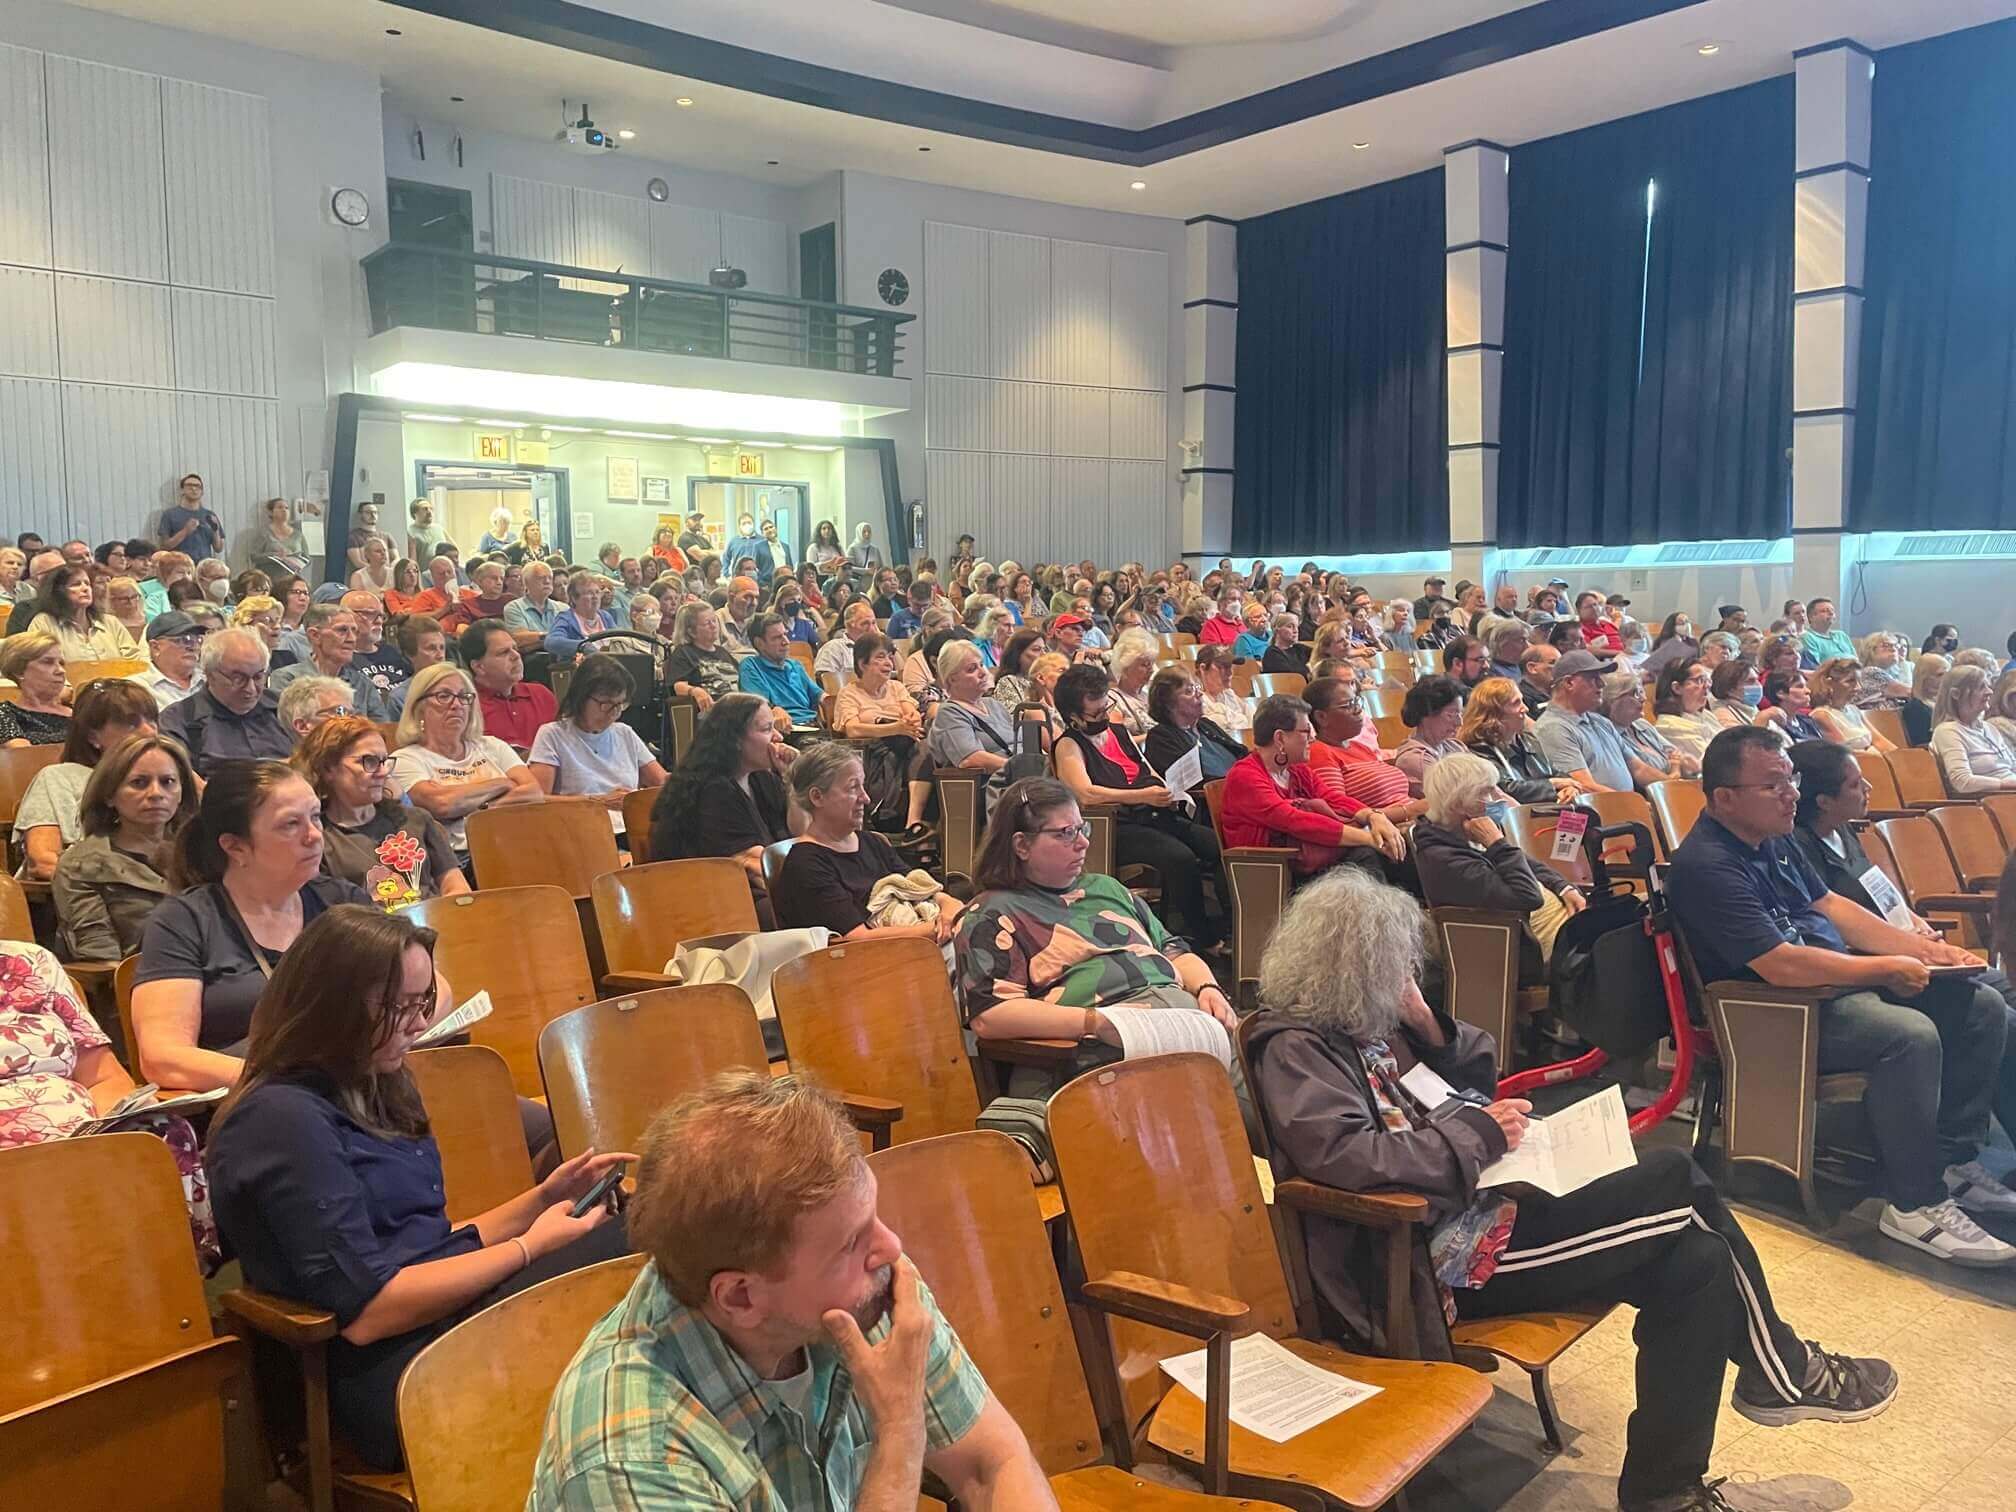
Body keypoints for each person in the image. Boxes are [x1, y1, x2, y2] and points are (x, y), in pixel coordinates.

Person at [1245, 866, 1897, 1512]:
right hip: (1427, 1259)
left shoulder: (1375, 1024)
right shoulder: (1297, 1048)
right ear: (1347, 969)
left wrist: (1427, 1023)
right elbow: (1343, 1154)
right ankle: (1782, 1372)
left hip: (1481, 1208)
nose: (1405, 977)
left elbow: (1474, 1079)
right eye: (1395, 967)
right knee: (1672, 1177)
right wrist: (1480, 1135)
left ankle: (1666, 1493)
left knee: (1697, 1264)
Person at [208, 905, 630, 1472]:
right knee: (646, 1230)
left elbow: (425, 1243)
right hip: (392, 1373)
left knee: (639, 1225)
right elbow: (370, 1310)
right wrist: (532, 1245)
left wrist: (541, 1199)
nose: (417, 1023)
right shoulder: (279, 1119)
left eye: (422, 1003)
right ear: (328, 1006)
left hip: (439, 1325)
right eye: (398, 1007)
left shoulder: (376, 1080)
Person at [529, 1073, 1049, 1509]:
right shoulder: (632, 1460)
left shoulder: (859, 1290)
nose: (890, 1246)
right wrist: (900, 1431)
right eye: (851, 1242)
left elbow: (992, 1464)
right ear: (740, 1297)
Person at [1670, 725, 2016, 1265]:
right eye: (1774, 784)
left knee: (1980, 1006)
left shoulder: (1776, 837)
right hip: (1776, 1013)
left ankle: (1949, 1163)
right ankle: (1911, 1204)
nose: (1792, 794)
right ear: (1724, 798)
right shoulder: (1706, 864)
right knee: (1908, 1034)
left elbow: (1834, 907)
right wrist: (1884, 969)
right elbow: (1779, 964)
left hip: (1829, 987)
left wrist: (1926, 953)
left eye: (1792, 779)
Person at [953, 777, 1239, 1090]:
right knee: (1226, 1112)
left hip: (1186, 1022)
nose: (1083, 843)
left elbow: (1173, 950)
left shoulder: (1108, 888)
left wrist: (1208, 987)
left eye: (1082, 828)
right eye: (1065, 833)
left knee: (1271, 1090)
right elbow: (991, 1015)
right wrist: (1095, 1023)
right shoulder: (992, 912)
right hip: (1102, 1045)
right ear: (1021, 845)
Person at [130, 761, 373, 1089]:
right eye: (290, 824)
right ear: (235, 846)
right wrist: (285, 1081)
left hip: (356, 1087)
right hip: (252, 1100)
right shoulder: (184, 920)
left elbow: (432, 988)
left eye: (315, 816)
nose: (315, 836)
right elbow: (164, 1058)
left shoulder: (343, 901)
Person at [0, 938, 219, 1266]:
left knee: (159, 1135)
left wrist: (104, 1136)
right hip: (14, 1160)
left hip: (78, 1143)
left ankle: (164, 1290)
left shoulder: (31, 963)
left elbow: (102, 1077)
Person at [1050, 664, 1222, 950]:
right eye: (1096, 714)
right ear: (1073, 716)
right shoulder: (1068, 745)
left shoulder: (1119, 732)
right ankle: (1200, 936)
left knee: (1218, 846)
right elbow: (1085, 793)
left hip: (1153, 814)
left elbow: (1148, 770)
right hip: (1118, 825)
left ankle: (1225, 924)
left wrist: (1165, 790)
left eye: (1107, 707)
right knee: (1180, 858)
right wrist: (1142, 796)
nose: (1104, 716)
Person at [1414, 752, 1585, 976]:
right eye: (1487, 792)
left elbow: (1525, 862)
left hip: (1564, 926)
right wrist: (1497, 843)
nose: (1498, 798)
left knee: (1634, 918)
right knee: (1624, 942)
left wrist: (1565, 887)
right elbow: (1528, 896)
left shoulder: (1468, 832)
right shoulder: (1445, 859)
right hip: (1528, 953)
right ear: (1458, 804)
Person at [773, 743, 962, 941]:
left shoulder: (872, 842)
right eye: (853, 788)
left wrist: (949, 906)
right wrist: (939, 929)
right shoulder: (806, 864)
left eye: (863, 786)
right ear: (817, 797)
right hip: (868, 962)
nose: (866, 798)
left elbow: (916, 885)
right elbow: (858, 938)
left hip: (916, 941)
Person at [646, 693, 794, 925]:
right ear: (735, 739)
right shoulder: (712, 790)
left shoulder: (761, 779)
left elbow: (803, 836)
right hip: (708, 902)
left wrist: (789, 779)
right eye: (766, 729)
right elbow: (755, 867)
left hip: (746, 891)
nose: (778, 737)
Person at [1221, 695, 1406, 879]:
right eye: (1306, 731)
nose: (1313, 737)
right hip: (1274, 873)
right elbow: (1295, 820)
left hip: (1310, 859)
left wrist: (1373, 816)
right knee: (1367, 854)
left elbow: (1333, 798)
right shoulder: (1244, 777)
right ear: (1280, 738)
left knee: (1397, 848)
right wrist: (1370, 838)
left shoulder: (1296, 770)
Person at [50, 733, 196, 961]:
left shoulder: (201, 853)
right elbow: (99, 956)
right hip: (142, 984)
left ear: (182, 792)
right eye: (139, 783)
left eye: (168, 782)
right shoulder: (81, 866)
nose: (156, 793)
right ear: (109, 795)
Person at [294, 715, 469, 901]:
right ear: (328, 768)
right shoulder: (317, 838)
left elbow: (456, 887)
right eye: (369, 761)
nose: (383, 772)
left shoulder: (415, 820)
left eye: (384, 761)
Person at [387, 663, 543, 864]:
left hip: (516, 844)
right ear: (419, 707)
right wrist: (503, 784)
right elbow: (441, 804)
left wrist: (482, 807)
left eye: (463, 697)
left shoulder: (493, 746)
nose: (457, 704)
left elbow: (533, 792)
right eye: (444, 696)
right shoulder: (406, 760)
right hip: (459, 858)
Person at [14, 678, 161, 878]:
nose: (149, 731)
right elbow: (42, 861)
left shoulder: (168, 779)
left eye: (152, 720)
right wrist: (127, 880)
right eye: (131, 724)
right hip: (84, 895)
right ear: (93, 736)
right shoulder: (58, 779)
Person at [527, 655, 665, 828]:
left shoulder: (624, 733)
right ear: (582, 696)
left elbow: (661, 782)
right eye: (606, 704)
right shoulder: (553, 735)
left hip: (630, 827)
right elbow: (537, 799)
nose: (614, 713)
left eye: (620, 704)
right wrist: (599, 801)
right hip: (580, 829)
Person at [833, 632, 933, 836]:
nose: (888, 663)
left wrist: (911, 719)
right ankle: (908, 822)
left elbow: (911, 713)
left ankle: (913, 821)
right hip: (871, 753)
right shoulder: (849, 693)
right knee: (919, 746)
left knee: (924, 743)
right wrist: (893, 728)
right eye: (880, 657)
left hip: (907, 745)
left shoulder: (896, 687)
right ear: (862, 664)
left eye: (890, 656)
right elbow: (852, 728)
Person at [158, 628, 293, 773]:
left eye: (258, 677)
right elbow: (181, 779)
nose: (251, 689)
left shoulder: (285, 707)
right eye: (238, 679)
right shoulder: (179, 720)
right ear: (210, 674)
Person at [1534, 650, 1664, 793]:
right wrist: (1634, 805)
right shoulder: (1554, 728)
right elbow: (1583, 786)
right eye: (1593, 678)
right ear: (1569, 683)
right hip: (1595, 812)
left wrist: (1674, 786)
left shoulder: (1601, 722)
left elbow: (1639, 769)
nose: (1602, 684)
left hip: (1624, 808)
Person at [1305, 677, 1424, 818]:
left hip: (1413, 820)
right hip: (1387, 832)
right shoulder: (1319, 752)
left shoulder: (1359, 747)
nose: (1358, 710)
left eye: (1356, 702)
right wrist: (1410, 811)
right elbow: (1339, 815)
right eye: (1347, 706)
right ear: (1321, 717)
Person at [924, 639, 1017, 818]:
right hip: (989, 787)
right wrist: (1019, 768)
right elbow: (970, 759)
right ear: (952, 679)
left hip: (1019, 778)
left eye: (981, 665)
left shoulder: (994, 705)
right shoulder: (950, 712)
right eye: (971, 669)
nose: (983, 672)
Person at [1457, 676, 1581, 805]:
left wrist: (1569, 788)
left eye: (1522, 701)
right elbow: (1505, 789)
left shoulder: (1528, 740)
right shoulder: (1478, 749)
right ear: (1495, 713)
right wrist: (1553, 784)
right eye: (1516, 703)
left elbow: (1556, 772)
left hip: (1548, 811)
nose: (1525, 709)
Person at [269, 603, 394, 722]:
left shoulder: (362, 683)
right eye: (342, 630)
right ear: (315, 635)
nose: (352, 639)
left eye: (354, 631)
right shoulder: (288, 679)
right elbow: (286, 731)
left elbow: (382, 729)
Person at [461, 620, 557, 756]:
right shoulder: (465, 707)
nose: (516, 656)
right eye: (503, 652)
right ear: (478, 667)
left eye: (515, 649)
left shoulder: (541, 694)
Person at [1143, 664, 1247, 787]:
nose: (1199, 694)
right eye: (1189, 691)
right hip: (1213, 800)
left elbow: (1241, 753)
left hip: (1242, 787)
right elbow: (1189, 784)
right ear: (1168, 703)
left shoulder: (1205, 725)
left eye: (1197, 687)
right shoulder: (1161, 738)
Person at [1927, 663, 2016, 794]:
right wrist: (2005, 784)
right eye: (1981, 687)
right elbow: (1962, 782)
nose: (1989, 691)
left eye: (1988, 685)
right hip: (1992, 800)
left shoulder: (1989, 728)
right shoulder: (1948, 732)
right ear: (1956, 694)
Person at [28, 561, 139, 663]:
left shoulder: (110, 622)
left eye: (87, 583)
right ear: (58, 591)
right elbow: (41, 664)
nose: (85, 589)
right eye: (76, 584)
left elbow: (134, 660)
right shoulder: (43, 622)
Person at [1601, 669, 1696, 777]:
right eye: (1636, 694)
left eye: (1641, 691)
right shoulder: (1608, 736)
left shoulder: (1642, 725)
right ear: (1613, 701)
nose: (1644, 698)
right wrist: (1675, 768)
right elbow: (1645, 779)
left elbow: (1678, 755)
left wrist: (1677, 764)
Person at [738, 613, 821, 732]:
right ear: (759, 643)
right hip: (784, 731)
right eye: (777, 637)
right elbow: (756, 703)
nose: (786, 641)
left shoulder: (795, 665)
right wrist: (774, 709)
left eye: (785, 635)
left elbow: (820, 696)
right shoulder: (751, 666)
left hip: (813, 726)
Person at [1393, 675, 1468, 797]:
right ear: (1425, 714)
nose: (1459, 723)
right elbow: (1457, 802)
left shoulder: (1455, 746)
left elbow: (1490, 789)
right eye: (1451, 715)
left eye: (1460, 714)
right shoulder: (1415, 760)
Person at [0, 631, 75, 747]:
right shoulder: (6, 714)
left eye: (61, 663)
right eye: (48, 662)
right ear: (19, 671)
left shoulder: (81, 711)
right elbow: (23, 756)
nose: (60, 670)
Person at [665, 601, 740, 711]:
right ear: (691, 631)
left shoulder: (723, 652)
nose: (713, 626)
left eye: (714, 621)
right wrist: (695, 691)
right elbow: (678, 686)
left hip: (735, 707)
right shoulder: (683, 653)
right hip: (708, 710)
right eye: (707, 623)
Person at [1809, 657, 1893, 752]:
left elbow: (1879, 741)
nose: (1858, 687)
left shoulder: (1854, 710)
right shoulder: (1822, 715)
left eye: (1859, 681)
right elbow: (1845, 754)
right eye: (1850, 681)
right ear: (1829, 683)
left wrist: (1901, 757)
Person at [1650, 657, 1723, 763]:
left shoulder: (1706, 714)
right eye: (1700, 680)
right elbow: (1715, 760)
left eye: (1708, 681)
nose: (1707, 686)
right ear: (1677, 688)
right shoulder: (1669, 725)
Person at [437, 559, 512, 635]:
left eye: (501, 579)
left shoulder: (511, 600)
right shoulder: (468, 605)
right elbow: (461, 629)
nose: (499, 582)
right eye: (494, 578)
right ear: (479, 581)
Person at [161, 473, 225, 561]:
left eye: (197, 486)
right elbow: (164, 546)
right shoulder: (170, 514)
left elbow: (218, 548)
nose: (194, 489)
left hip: (204, 567)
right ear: (182, 490)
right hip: (180, 566)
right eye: (189, 485)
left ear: (202, 492)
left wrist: (216, 531)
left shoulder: (210, 515)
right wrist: (185, 531)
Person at [247, 498, 312, 581]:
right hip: (268, 580)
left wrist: (293, 559)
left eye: (286, 508)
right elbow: (254, 556)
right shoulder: (264, 533)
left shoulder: (298, 535)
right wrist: (275, 555)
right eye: (280, 507)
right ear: (271, 512)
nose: (284, 510)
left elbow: (306, 558)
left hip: (291, 580)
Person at [1193, 643, 1249, 733]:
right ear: (1203, 669)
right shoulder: (1195, 700)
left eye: (1231, 666)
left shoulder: (1229, 695)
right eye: (1222, 667)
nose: (1230, 672)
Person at [503, 561, 561, 648]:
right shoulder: (514, 607)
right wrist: (553, 637)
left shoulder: (562, 608)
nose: (547, 581)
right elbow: (519, 640)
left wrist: (536, 639)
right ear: (526, 582)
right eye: (541, 578)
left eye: (550, 577)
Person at [815, 599, 876, 681]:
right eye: (865, 623)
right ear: (850, 625)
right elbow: (824, 680)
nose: (871, 628)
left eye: (873, 623)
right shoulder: (833, 648)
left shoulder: (878, 648)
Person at [1802, 598, 1855, 666]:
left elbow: (1856, 659)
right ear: (1811, 617)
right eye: (1825, 611)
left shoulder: (1841, 635)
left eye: (1832, 610)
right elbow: (1815, 666)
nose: (1831, 613)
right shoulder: (1808, 637)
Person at [1515, 642, 1559, 720]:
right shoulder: (1519, 698)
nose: (1560, 668)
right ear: (1532, 668)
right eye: (1553, 663)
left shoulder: (1559, 693)